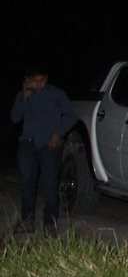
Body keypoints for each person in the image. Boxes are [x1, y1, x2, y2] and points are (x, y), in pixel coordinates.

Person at [10, 66, 78, 234]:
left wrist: (58, 134)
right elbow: (14, 118)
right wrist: (22, 98)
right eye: (35, 81)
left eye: (42, 80)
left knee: (50, 185)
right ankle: (27, 221)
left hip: (50, 145)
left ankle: (50, 223)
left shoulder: (56, 94)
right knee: (27, 183)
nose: (38, 84)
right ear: (28, 80)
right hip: (28, 143)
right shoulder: (24, 95)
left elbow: (71, 116)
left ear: (46, 79)